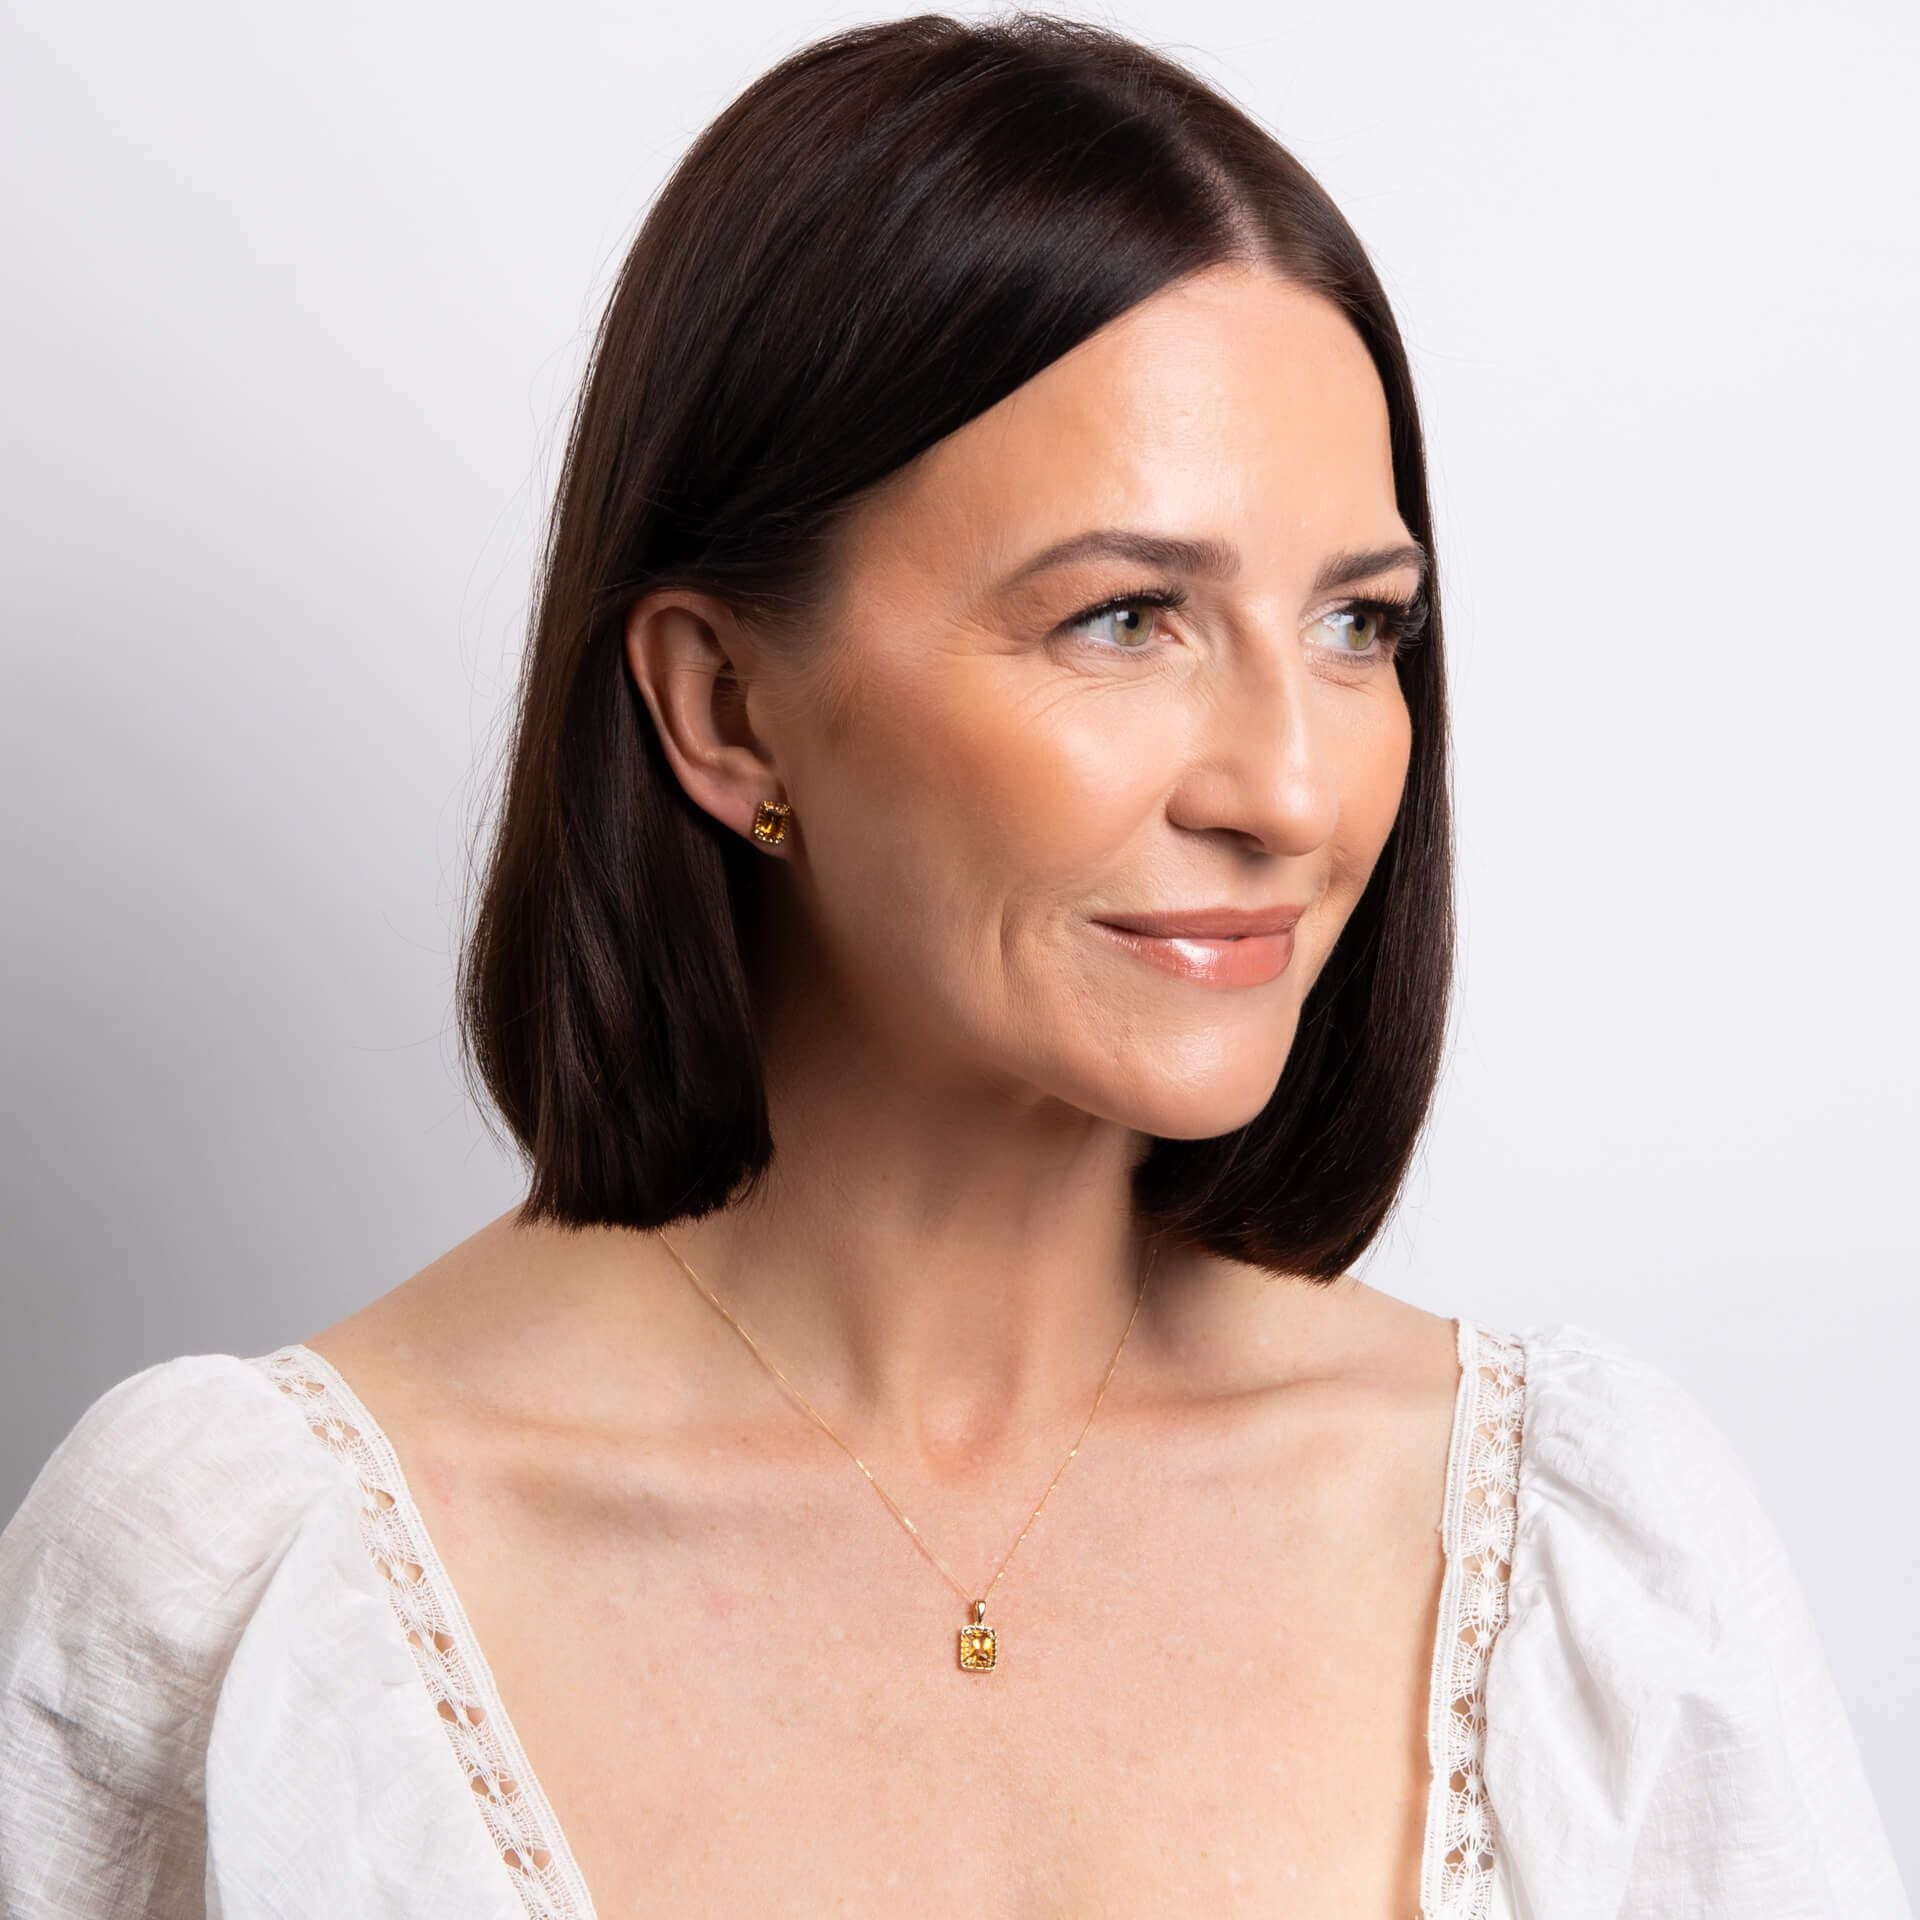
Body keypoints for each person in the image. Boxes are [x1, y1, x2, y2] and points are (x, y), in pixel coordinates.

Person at [0, 13, 1907, 1919]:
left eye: (1355, 623)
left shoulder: (1589, 1569)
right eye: (1126, 616)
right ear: (726, 707)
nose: (1296, 790)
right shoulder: (240, 1591)